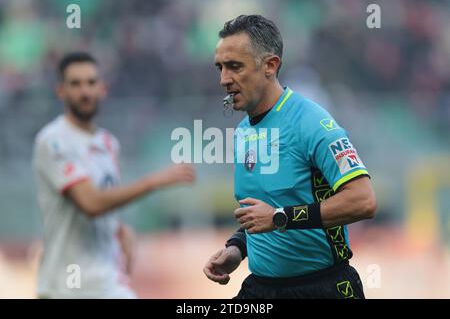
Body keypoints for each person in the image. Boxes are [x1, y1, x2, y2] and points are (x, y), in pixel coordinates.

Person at [203, 15, 377, 299]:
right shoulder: (243, 131)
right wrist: (237, 248)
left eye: (235, 67)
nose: (224, 79)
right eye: (220, 68)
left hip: (322, 288)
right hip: (260, 288)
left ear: (270, 65)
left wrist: (280, 217)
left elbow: (363, 201)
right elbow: (266, 212)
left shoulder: (313, 123)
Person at [32, 52, 195, 298]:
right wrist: (153, 181)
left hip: (106, 282)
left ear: (103, 89)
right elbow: (90, 203)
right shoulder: (54, 140)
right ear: (61, 91)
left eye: (91, 82)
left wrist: (119, 228)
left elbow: (105, 203)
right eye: (75, 84)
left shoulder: (109, 144)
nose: (85, 91)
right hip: (64, 287)